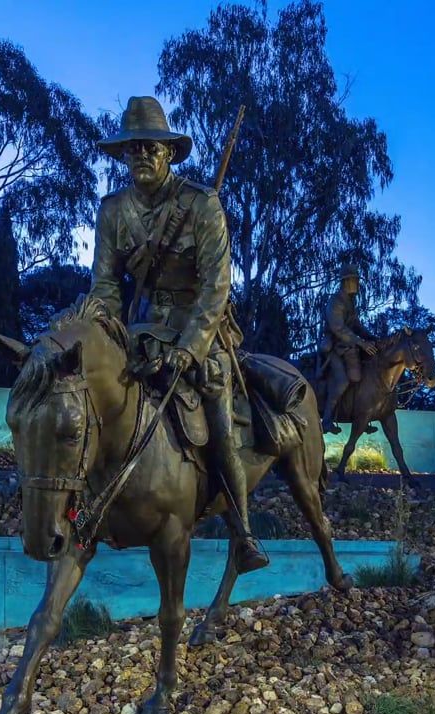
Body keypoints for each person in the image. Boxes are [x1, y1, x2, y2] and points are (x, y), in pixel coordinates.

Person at [89, 95, 268, 572]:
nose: (142, 156)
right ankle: (76, 510)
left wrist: (191, 347)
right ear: (124, 156)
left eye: (152, 147)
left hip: (198, 330)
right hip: (140, 329)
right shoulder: (112, 211)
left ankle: (243, 531)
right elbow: (105, 285)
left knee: (215, 398)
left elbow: (216, 285)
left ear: (169, 152)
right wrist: (105, 327)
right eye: (133, 149)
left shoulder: (201, 204)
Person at [318, 263, 378, 434]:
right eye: (355, 280)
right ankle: (327, 420)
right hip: (335, 348)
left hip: (349, 345)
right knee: (342, 381)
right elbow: (338, 328)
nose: (358, 283)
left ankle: (361, 416)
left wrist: (371, 338)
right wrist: (361, 343)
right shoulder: (336, 301)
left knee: (364, 376)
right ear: (347, 281)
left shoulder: (351, 301)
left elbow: (356, 325)